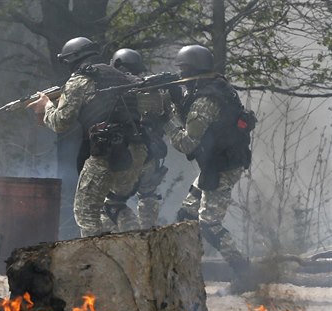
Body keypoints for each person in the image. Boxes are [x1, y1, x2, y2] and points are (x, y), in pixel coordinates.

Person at [27, 37, 147, 237]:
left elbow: (60, 123)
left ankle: (96, 262)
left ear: (72, 59)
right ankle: (132, 251)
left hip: (108, 153)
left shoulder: (79, 80)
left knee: (86, 213)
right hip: (135, 151)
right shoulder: (120, 75)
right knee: (113, 206)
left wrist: (46, 105)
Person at [162, 44, 254, 285]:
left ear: (193, 70)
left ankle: (244, 273)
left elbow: (187, 143)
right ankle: (182, 267)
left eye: (183, 70)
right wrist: (175, 102)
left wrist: (165, 120)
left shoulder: (205, 99)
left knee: (209, 224)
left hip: (222, 167)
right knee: (186, 214)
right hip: (219, 163)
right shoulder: (215, 88)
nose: (181, 77)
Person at [108, 48, 170, 229]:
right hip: (153, 151)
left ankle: (130, 238)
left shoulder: (119, 91)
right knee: (148, 195)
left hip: (129, 153)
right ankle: (148, 235)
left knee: (113, 202)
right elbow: (166, 117)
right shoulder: (155, 90)